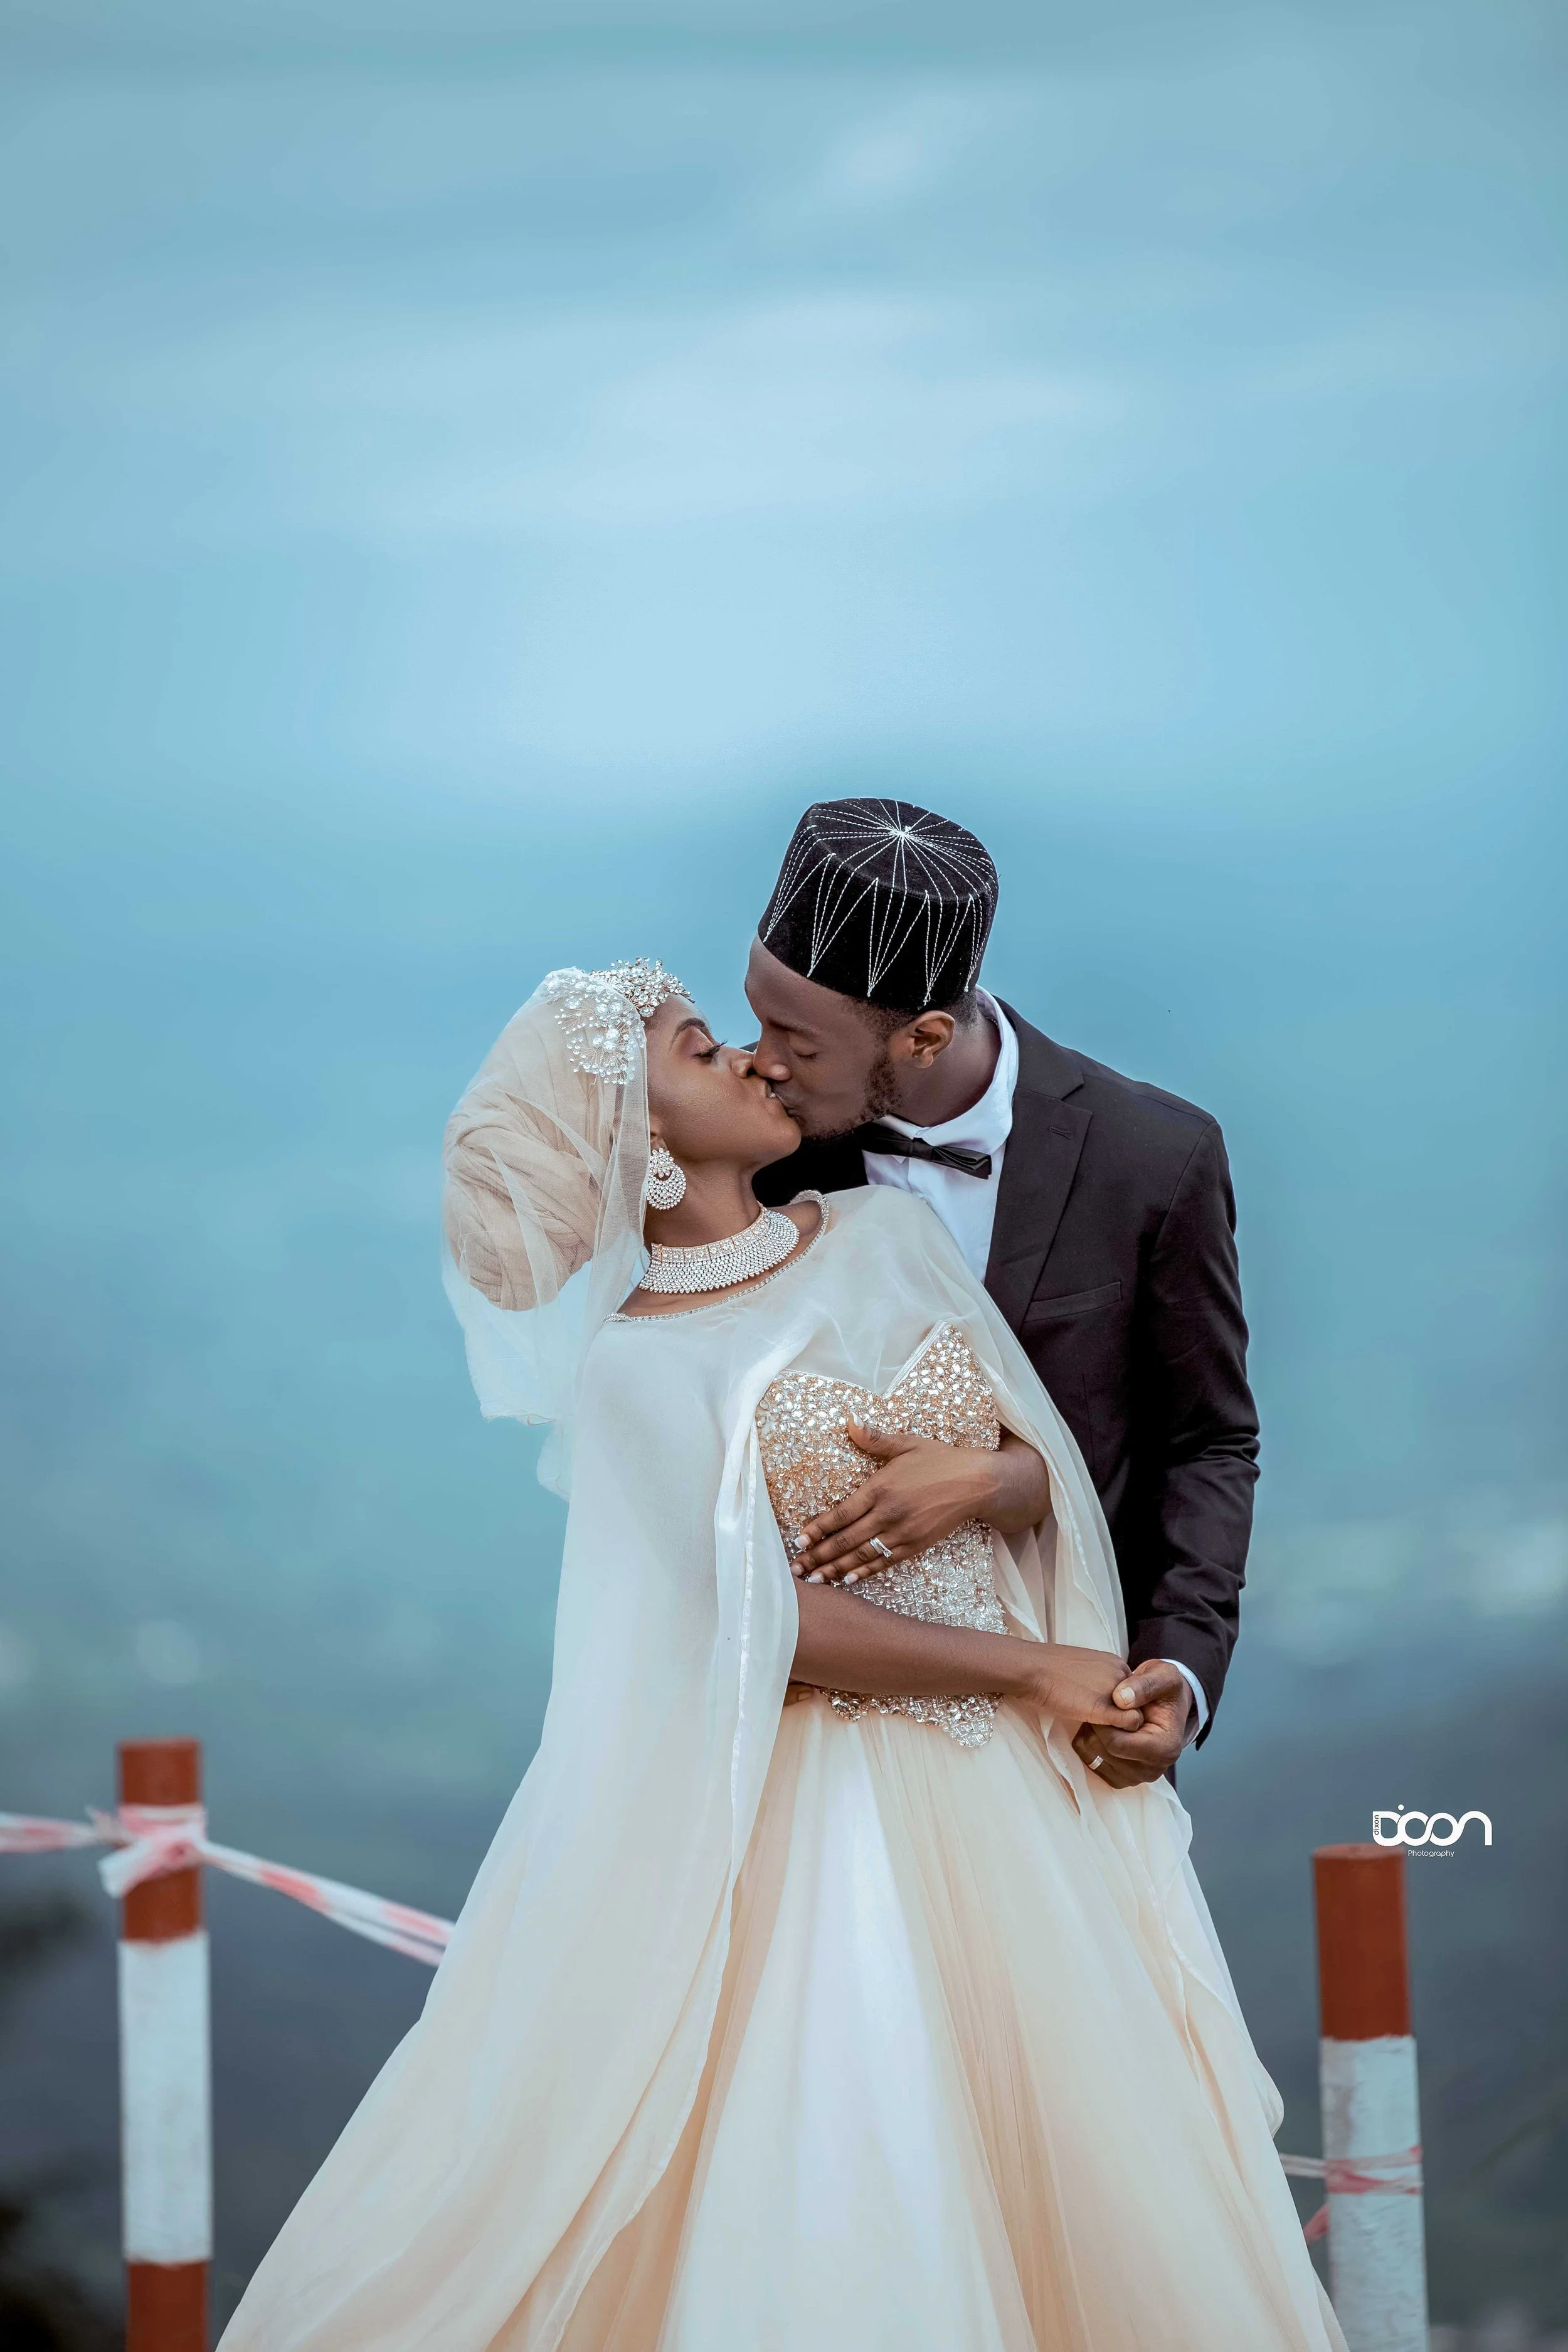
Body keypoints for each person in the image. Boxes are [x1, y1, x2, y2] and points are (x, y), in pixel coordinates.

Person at [219, 956, 1342, 2351]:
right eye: (706, 1051)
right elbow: (764, 1624)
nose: (756, 1062)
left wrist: (975, 1487)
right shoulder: (637, 1372)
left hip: (1026, 1804)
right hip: (829, 1816)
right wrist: (1032, 1672)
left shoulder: (879, 1237)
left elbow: (1043, 1459)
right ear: (639, 1148)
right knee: (863, 2148)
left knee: (1089, 2145)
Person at [752, 797, 1259, 1786]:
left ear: (927, 1037)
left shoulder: (1155, 1157)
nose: (762, 1060)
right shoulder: (753, 1154)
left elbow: (1206, 1438)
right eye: (760, 1011)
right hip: (816, 1744)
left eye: (799, 1041)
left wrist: (1181, 1668)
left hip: (1063, 1727)